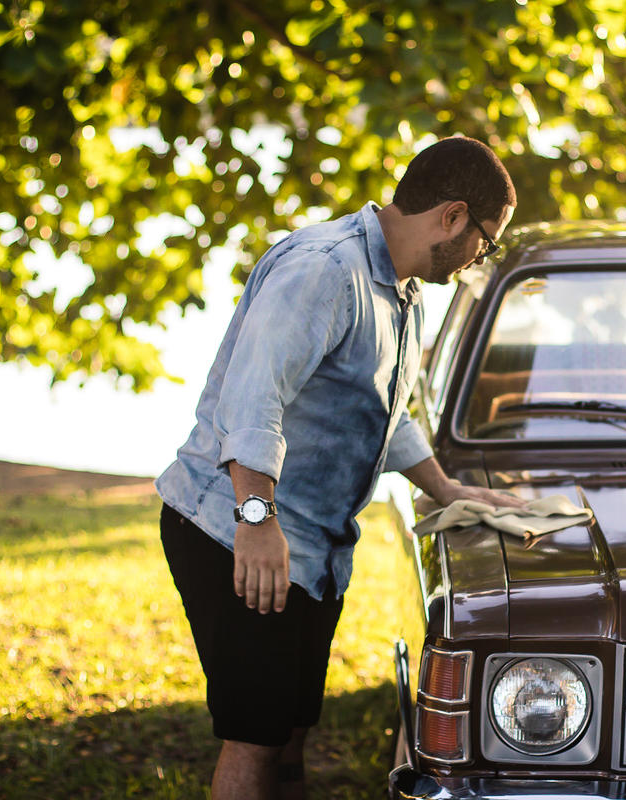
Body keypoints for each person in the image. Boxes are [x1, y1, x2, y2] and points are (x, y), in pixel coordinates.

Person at [153, 136, 523, 800]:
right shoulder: (324, 270)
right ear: (453, 216)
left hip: (310, 546)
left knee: (291, 725)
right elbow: (252, 399)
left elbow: (385, 413)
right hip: (234, 530)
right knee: (255, 736)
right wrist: (257, 522)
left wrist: (447, 489)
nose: (479, 257)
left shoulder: (404, 293)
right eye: (486, 242)